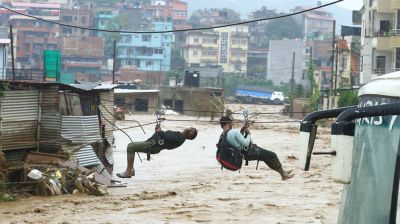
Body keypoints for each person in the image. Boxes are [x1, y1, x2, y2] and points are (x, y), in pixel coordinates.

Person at [219, 116, 294, 181]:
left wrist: (242, 131)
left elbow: (237, 142)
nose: (232, 124)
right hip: (250, 151)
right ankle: (283, 175)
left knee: (267, 158)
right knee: (273, 155)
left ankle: (283, 172)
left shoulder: (224, 135)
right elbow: (246, 143)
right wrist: (248, 134)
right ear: (228, 123)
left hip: (245, 155)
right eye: (231, 123)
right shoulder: (233, 131)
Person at [117, 124, 198, 178]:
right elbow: (166, 137)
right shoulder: (180, 136)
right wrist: (158, 131)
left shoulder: (180, 138)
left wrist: (159, 131)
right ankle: (131, 170)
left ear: (190, 138)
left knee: (131, 147)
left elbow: (167, 137)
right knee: (131, 146)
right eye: (191, 129)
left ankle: (128, 171)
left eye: (192, 131)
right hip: (153, 144)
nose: (190, 129)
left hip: (154, 146)